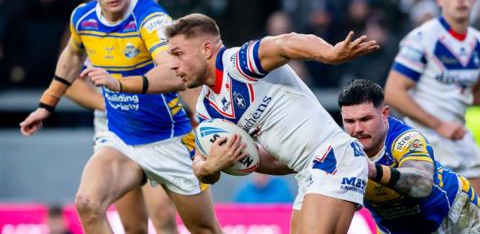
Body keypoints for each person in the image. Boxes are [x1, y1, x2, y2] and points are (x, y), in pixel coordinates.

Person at [94, 13, 379, 233]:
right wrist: (210, 167)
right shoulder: (207, 109)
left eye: (179, 54)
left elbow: (285, 42)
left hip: (333, 157)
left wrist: (328, 53)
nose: (173, 64)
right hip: (308, 173)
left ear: (207, 49)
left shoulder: (238, 63)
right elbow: (201, 165)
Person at [19, 0, 222, 233]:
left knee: (201, 228)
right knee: (87, 203)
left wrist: (119, 84)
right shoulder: (82, 17)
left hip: (168, 139)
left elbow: (176, 73)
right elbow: (72, 55)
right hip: (120, 138)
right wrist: (46, 104)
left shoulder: (151, 18)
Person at [63, 0, 180, 233]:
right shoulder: (90, 25)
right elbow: (68, 82)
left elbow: (184, 78)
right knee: (132, 225)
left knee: (162, 214)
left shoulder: (162, 28)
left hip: (158, 132)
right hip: (114, 134)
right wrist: (111, 104)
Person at [338, 78, 480, 234]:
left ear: (384, 113)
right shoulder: (340, 150)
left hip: (454, 214)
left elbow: (422, 185)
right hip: (398, 229)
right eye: (349, 121)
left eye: (365, 119)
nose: (357, 129)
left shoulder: (406, 139)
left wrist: (374, 170)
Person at [384, 0, 480, 193]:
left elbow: (473, 92)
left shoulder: (477, 42)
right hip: (425, 140)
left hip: (459, 136)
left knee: (474, 218)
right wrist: (439, 125)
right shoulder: (422, 38)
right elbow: (393, 91)